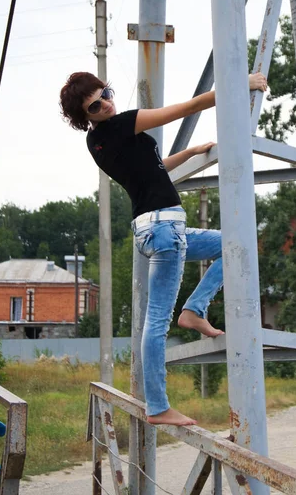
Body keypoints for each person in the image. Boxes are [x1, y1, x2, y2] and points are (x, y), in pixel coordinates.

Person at [59, 71, 267, 426]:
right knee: (156, 322)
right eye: (96, 104)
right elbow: (187, 107)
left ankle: (195, 309)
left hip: (152, 229)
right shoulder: (123, 123)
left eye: (106, 93)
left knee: (235, 245)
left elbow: (152, 170)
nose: (106, 102)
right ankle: (158, 406)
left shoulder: (97, 143)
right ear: (85, 117)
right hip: (165, 227)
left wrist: (190, 151)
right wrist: (238, 83)